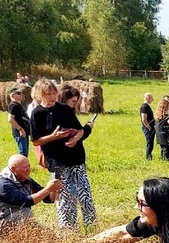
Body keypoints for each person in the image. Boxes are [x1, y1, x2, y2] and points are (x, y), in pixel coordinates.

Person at [28, 80, 97, 229]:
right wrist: (53, 137)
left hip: (76, 157)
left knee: (85, 194)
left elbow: (80, 130)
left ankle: (91, 226)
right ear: (40, 95)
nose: (53, 97)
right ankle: (68, 230)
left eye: (54, 93)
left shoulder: (64, 109)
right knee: (65, 197)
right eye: (49, 94)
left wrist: (75, 138)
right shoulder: (37, 113)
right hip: (57, 162)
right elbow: (35, 141)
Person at [0, 154, 61, 226]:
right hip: (3, 219)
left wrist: (54, 189)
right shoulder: (4, 184)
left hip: (15, 216)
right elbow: (24, 202)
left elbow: (48, 199)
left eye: (29, 166)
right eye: (25, 167)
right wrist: (48, 189)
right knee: (25, 214)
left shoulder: (24, 178)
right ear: (13, 169)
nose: (28, 170)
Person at [8, 85, 30, 156]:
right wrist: (20, 129)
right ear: (12, 95)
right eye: (18, 93)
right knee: (23, 153)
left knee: (25, 153)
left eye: (21, 92)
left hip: (24, 131)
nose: (21, 94)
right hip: (20, 132)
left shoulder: (18, 105)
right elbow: (10, 119)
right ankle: (21, 166)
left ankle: (24, 166)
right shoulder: (13, 105)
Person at [154, 96, 169, 160]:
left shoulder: (157, 115)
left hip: (159, 135)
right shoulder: (166, 116)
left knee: (163, 149)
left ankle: (163, 159)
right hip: (166, 135)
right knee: (167, 150)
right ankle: (167, 161)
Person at [139, 92, 155, 159]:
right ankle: (148, 157)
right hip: (147, 128)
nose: (152, 99)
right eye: (151, 98)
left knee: (151, 143)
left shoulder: (147, 106)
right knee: (149, 143)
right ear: (147, 98)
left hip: (150, 127)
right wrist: (149, 127)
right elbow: (144, 119)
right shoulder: (144, 107)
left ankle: (150, 156)